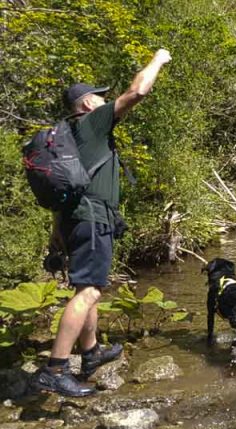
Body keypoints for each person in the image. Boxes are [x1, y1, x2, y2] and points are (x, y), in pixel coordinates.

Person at [30, 49, 172, 397]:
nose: (105, 101)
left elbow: (66, 187)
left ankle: (90, 353)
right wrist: (158, 59)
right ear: (88, 104)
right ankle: (56, 368)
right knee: (91, 290)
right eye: (99, 97)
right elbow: (137, 92)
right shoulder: (92, 124)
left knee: (86, 288)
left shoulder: (70, 138)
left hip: (74, 220)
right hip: (91, 220)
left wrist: (56, 232)